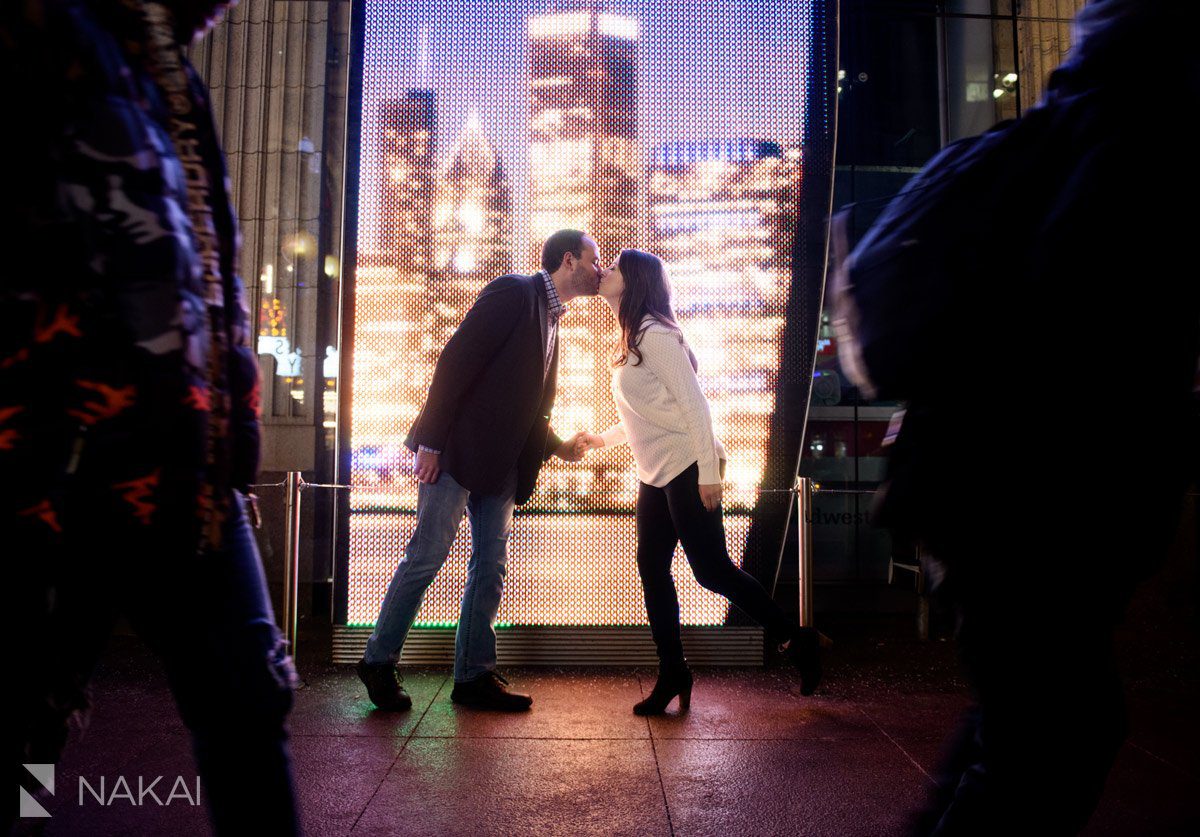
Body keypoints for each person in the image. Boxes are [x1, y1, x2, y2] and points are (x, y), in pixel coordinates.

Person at [832, 1, 1200, 832]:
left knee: (1033, 726)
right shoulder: (1131, 154)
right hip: (1038, 500)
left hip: (977, 487)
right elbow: (1095, 338)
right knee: (1056, 736)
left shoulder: (1049, 142)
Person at [1, 1, 300, 834]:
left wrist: (231, 423)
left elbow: (207, 274)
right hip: (52, 470)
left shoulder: (172, 81)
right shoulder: (45, 32)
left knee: (248, 702)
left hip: (186, 472)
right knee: (30, 717)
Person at [356, 229, 599, 712]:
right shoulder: (515, 291)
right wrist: (430, 442)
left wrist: (557, 448)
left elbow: (526, 405)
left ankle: (472, 677)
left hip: (502, 464)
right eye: (595, 260)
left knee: (490, 568)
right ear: (569, 261)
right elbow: (454, 361)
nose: (600, 269)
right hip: (457, 454)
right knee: (427, 556)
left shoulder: (553, 318)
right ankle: (377, 660)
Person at [576, 249, 825, 715]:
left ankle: (798, 640)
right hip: (657, 471)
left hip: (690, 465)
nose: (604, 270)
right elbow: (648, 412)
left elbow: (694, 407)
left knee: (712, 572)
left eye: (614, 266)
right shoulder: (632, 336)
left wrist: (709, 474)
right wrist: (600, 440)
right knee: (651, 566)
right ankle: (673, 670)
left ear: (634, 282)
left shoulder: (657, 335)